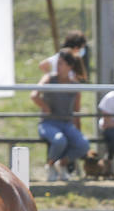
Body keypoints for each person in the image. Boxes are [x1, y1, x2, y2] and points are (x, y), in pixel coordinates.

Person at [32, 48, 89, 181]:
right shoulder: (49, 78)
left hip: (66, 124)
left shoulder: (75, 85)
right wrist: (45, 106)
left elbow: (76, 111)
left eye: (61, 64)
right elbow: (34, 95)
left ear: (70, 66)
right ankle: (50, 165)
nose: (57, 66)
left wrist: (78, 131)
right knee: (59, 140)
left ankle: (61, 164)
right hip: (48, 123)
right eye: (57, 63)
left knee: (83, 145)